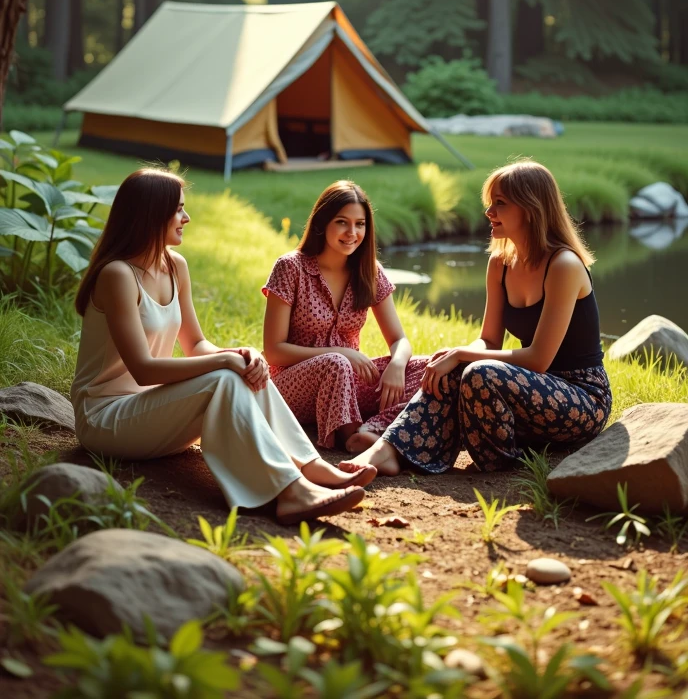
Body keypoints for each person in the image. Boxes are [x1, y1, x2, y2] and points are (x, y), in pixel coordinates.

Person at [71, 168, 374, 526]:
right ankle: (290, 492)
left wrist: (241, 354)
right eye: (179, 209)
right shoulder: (118, 275)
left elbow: (196, 344)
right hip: (106, 420)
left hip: (151, 412)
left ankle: (309, 467)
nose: (187, 218)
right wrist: (225, 364)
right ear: (151, 213)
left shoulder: (174, 266)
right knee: (225, 377)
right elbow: (144, 368)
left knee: (241, 371)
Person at [340, 161, 612, 478]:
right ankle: (389, 450)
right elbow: (490, 339)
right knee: (459, 365)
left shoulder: (563, 265)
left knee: (477, 368)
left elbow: (539, 359)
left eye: (500, 203)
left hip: (581, 397)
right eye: (490, 203)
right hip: (528, 392)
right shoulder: (500, 263)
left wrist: (462, 354)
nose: (489, 212)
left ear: (530, 208)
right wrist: (456, 356)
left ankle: (500, 457)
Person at [262, 180, 429, 451]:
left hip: (347, 384)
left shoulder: (368, 271)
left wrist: (398, 364)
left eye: (360, 224)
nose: (352, 232)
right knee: (337, 362)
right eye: (342, 222)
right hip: (290, 387)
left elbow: (400, 339)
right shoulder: (290, 268)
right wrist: (342, 352)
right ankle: (351, 436)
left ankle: (372, 428)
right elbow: (274, 351)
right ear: (323, 223)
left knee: (427, 367)